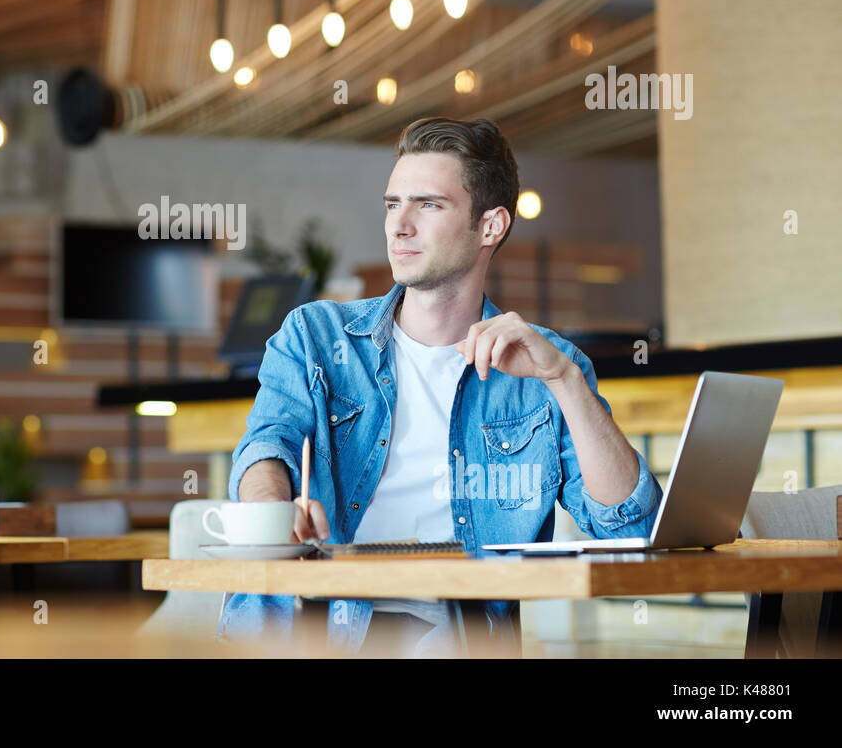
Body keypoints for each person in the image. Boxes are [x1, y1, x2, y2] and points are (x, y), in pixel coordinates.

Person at [216, 117, 662, 655]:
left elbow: (627, 531)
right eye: (391, 204)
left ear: (490, 227)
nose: (398, 225)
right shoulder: (315, 337)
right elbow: (268, 446)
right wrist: (274, 510)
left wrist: (565, 381)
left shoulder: (548, 366)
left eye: (427, 205)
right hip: (313, 636)